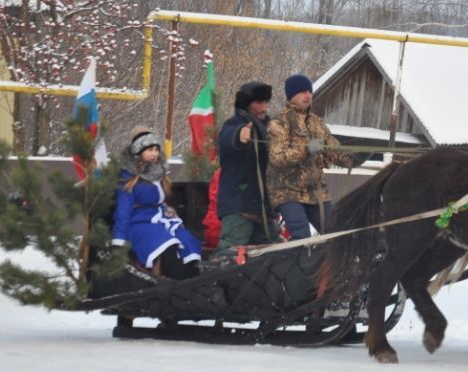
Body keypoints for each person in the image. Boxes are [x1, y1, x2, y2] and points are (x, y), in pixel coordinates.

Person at [112, 126, 202, 279]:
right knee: (166, 244)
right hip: (139, 223)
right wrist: (118, 242)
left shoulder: (158, 172)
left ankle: (193, 280)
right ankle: (177, 281)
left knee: (187, 241)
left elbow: (158, 199)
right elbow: (123, 210)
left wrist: (166, 208)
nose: (154, 154)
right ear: (138, 152)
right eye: (149, 150)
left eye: (156, 149)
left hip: (160, 219)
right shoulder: (128, 177)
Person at [267, 74, 348, 239]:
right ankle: (291, 263)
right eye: (303, 92)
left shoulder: (317, 122)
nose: (308, 96)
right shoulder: (279, 122)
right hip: (288, 192)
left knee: (337, 234)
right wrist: (306, 149)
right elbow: (277, 158)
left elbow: (333, 148)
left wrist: (352, 157)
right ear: (292, 95)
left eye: (309, 92)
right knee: (301, 236)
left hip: (317, 193)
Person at [216, 81, 280, 249]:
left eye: (266, 102)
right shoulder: (233, 125)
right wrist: (239, 135)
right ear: (246, 104)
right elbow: (226, 139)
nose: (264, 107)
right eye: (259, 102)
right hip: (239, 206)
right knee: (229, 255)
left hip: (263, 209)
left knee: (276, 256)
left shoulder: (272, 129)